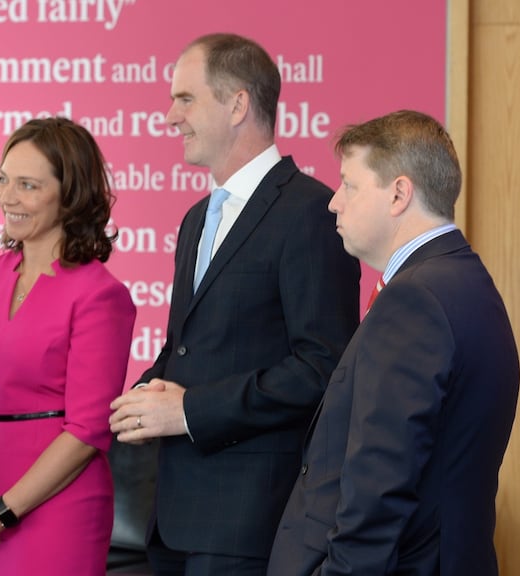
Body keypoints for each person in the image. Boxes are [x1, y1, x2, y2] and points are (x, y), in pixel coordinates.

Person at [108, 33, 361, 575]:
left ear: (238, 103)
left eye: (185, 98)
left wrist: (188, 410)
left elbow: (322, 368)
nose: (170, 116)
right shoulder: (197, 219)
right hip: (175, 515)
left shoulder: (311, 213)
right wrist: (147, 393)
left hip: (250, 520)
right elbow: (192, 348)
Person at [267, 110, 520, 575]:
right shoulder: (463, 280)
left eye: (349, 185)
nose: (333, 203)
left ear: (399, 193)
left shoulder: (415, 300)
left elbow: (378, 484)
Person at [0, 117, 137, 575]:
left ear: (70, 195)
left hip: (57, 510)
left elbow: (86, 431)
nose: (8, 196)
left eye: (27, 185)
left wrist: (5, 511)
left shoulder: (100, 295)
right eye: (4, 179)